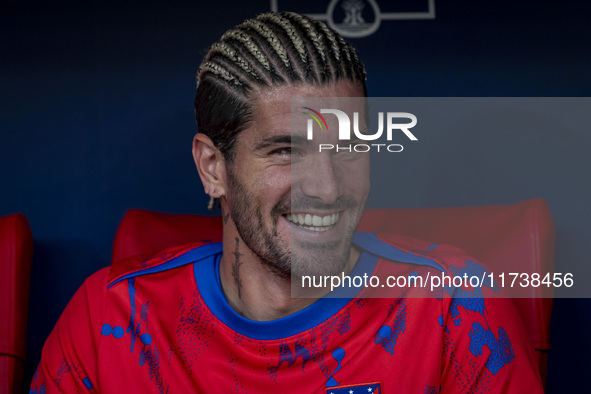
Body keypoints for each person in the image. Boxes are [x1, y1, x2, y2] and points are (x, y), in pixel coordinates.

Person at [30, 11, 543, 393]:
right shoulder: (111, 319)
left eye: (348, 147)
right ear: (214, 168)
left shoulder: (455, 308)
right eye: (286, 151)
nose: (326, 187)